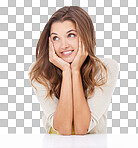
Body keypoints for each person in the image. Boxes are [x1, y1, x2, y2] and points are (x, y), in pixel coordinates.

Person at [28, 6, 119, 135]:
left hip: (93, 144)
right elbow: (63, 128)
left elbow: (82, 128)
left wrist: (75, 71)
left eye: (71, 35)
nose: (63, 45)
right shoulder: (39, 71)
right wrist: (66, 71)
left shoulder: (106, 68)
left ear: (85, 35)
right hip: (56, 143)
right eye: (55, 38)